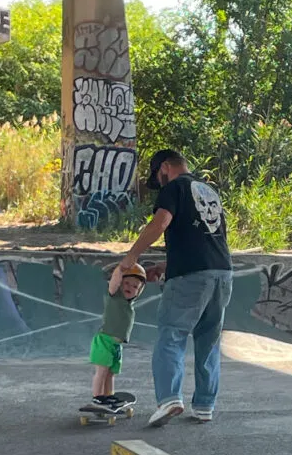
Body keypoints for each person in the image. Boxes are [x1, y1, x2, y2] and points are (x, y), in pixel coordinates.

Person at [119, 149, 233, 427]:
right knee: (208, 339)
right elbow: (205, 241)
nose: (160, 184)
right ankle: (205, 405)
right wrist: (167, 266)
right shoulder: (208, 191)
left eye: (159, 178)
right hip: (222, 273)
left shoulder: (174, 188)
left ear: (166, 167)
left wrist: (131, 257)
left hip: (190, 277)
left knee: (171, 334)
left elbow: (160, 223)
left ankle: (169, 398)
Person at [86, 263, 147, 412]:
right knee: (102, 371)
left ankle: (108, 396)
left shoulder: (129, 305)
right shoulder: (114, 295)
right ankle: (97, 397)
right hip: (104, 341)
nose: (129, 287)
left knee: (111, 373)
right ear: (120, 283)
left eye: (135, 286)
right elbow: (114, 282)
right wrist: (121, 269)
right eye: (126, 283)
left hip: (116, 345)